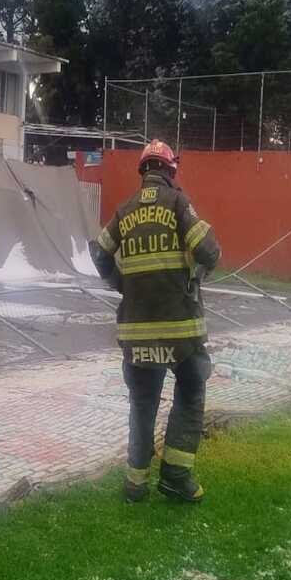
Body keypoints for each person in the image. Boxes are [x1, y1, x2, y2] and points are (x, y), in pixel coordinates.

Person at [90, 139, 221, 503]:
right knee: (191, 390)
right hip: (181, 332)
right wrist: (195, 275)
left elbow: (99, 252)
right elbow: (210, 250)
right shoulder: (178, 203)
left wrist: (123, 285)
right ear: (169, 171)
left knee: (142, 402)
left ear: (143, 172)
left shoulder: (124, 210)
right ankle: (176, 476)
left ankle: (135, 484)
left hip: (135, 334)